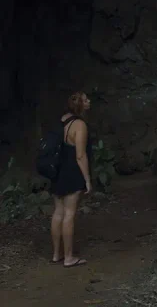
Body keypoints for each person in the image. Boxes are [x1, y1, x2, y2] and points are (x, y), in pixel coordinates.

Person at [50, 91, 92, 268]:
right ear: (80, 105)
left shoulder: (63, 119)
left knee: (58, 212)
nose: (89, 101)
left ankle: (56, 254)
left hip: (58, 171)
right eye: (86, 100)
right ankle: (69, 257)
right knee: (69, 214)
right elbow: (80, 155)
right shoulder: (79, 125)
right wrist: (88, 179)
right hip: (72, 172)